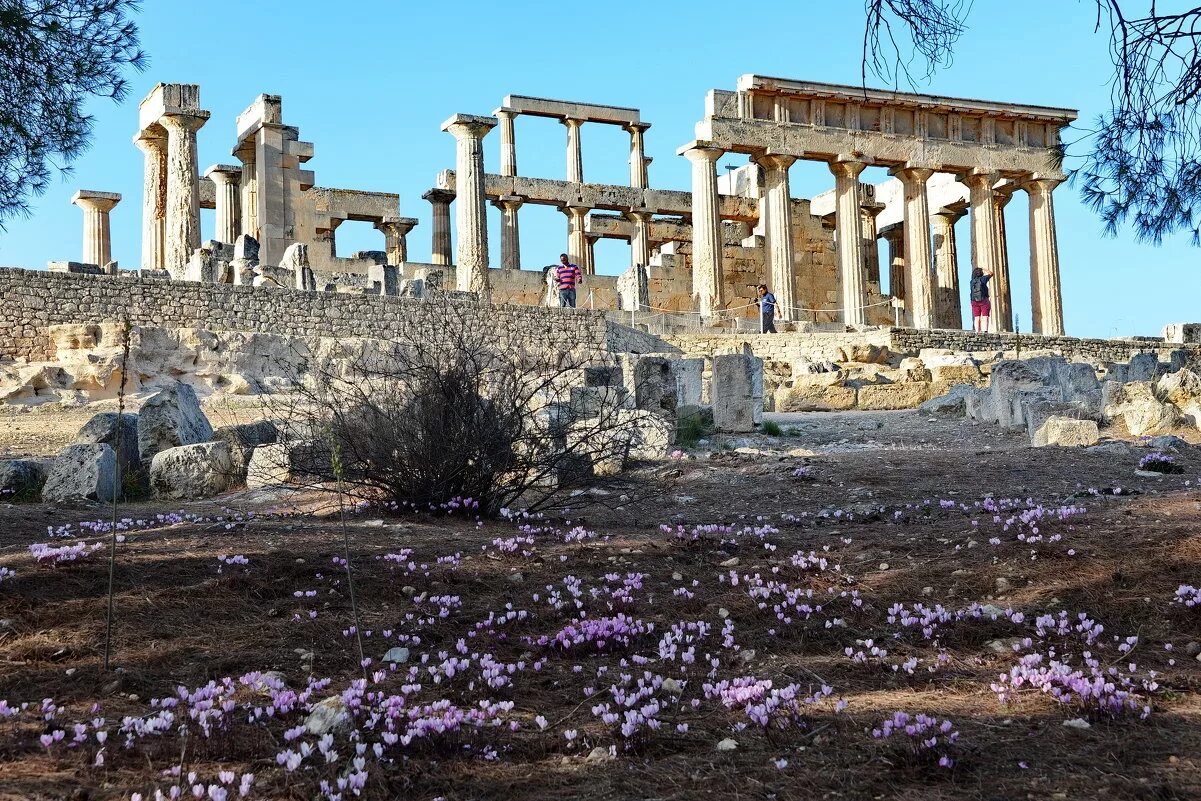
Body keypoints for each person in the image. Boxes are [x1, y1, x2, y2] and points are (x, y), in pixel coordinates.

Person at [969, 267, 992, 332]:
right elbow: (991, 273)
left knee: (977, 317)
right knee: (985, 316)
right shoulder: (983, 279)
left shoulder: (972, 281)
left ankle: (977, 331)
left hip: (974, 301)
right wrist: (984, 269)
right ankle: (985, 330)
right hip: (983, 300)